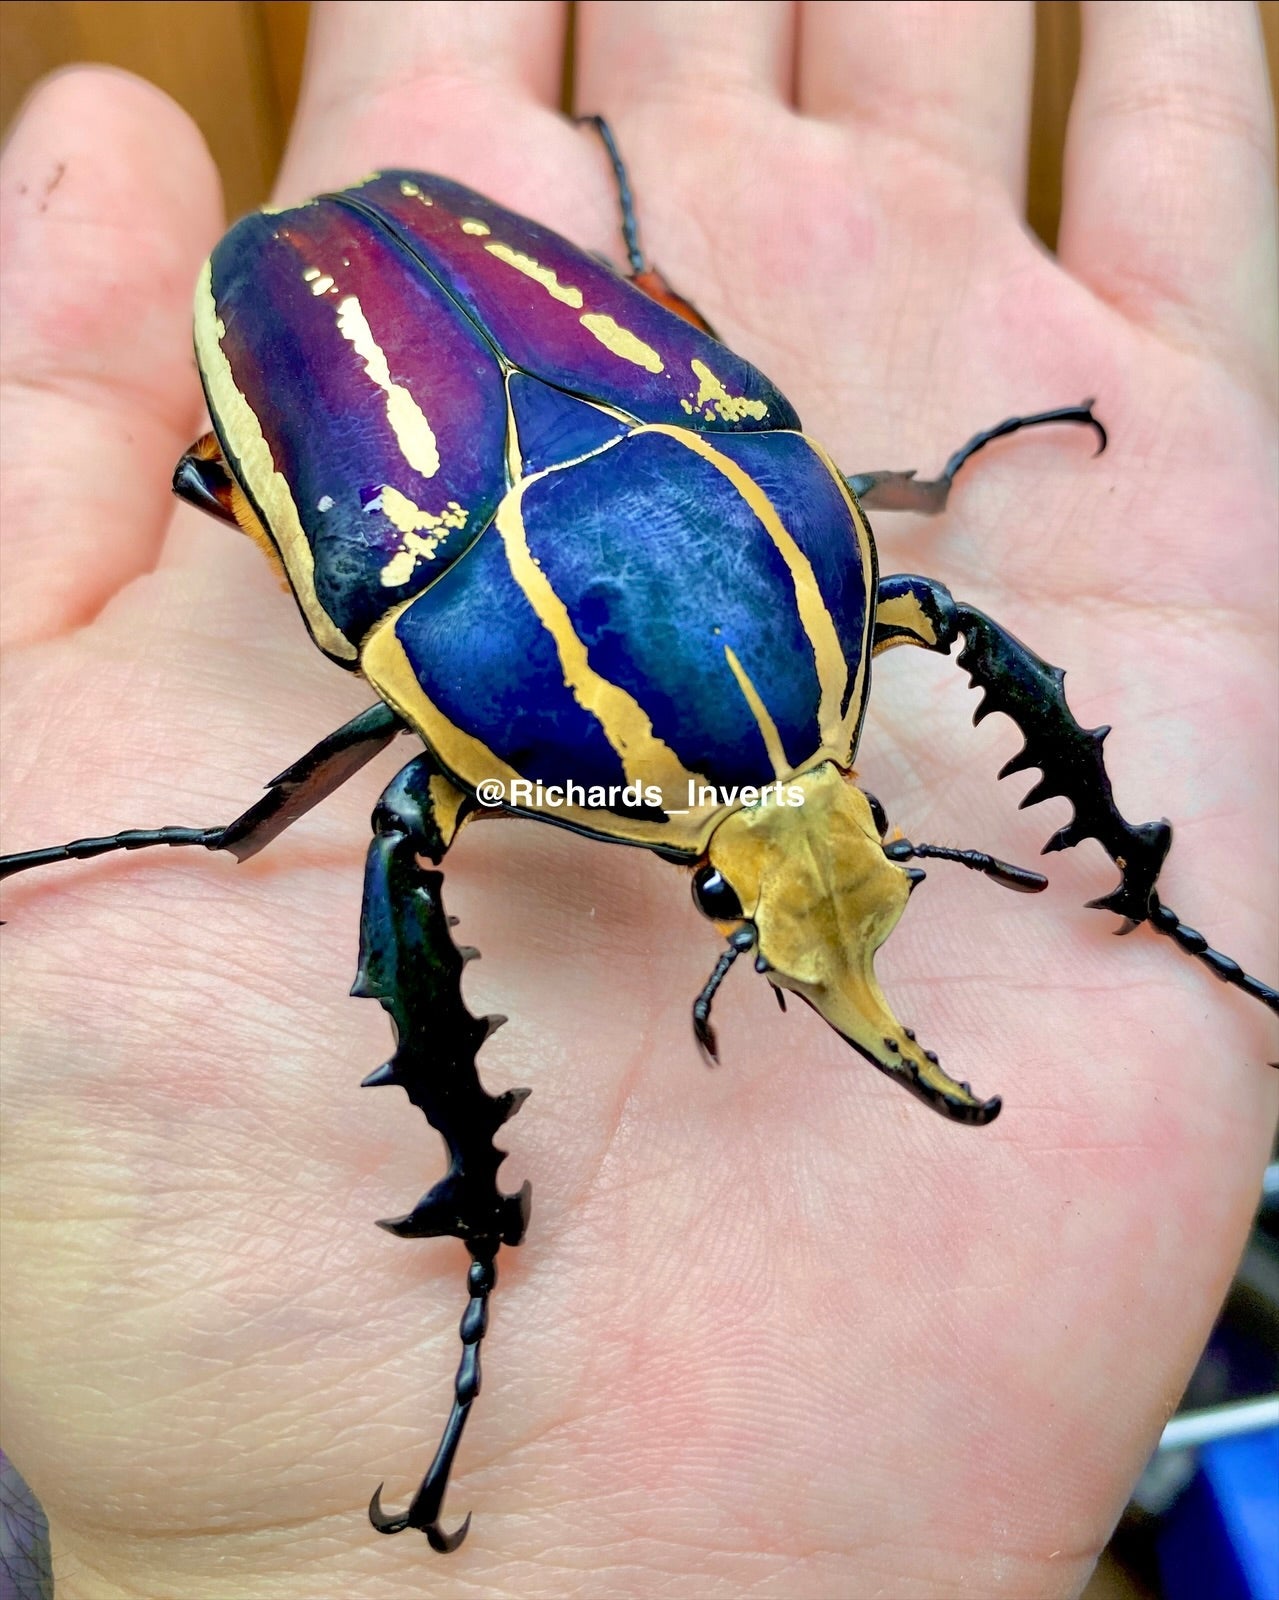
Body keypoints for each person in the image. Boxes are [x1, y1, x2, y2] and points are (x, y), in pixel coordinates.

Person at [1, 3, 1275, 1594]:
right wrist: (230, 826)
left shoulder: (811, 550)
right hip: (337, 346)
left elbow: (920, 600)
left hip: (577, 413)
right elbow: (413, 804)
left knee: (913, 609)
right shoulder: (476, 693)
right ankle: (480, 1205)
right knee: (374, 745)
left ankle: (1140, 893)